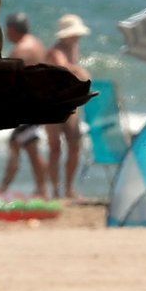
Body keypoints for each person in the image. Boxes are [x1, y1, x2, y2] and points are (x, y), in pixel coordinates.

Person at [0, 12, 49, 197]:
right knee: (27, 144)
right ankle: (40, 189)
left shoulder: (20, 50)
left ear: (12, 29)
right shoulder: (37, 44)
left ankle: (7, 188)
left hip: (31, 105)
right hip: (41, 102)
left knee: (19, 143)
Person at [45, 14, 91, 200]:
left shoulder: (73, 48)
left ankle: (69, 189)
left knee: (74, 145)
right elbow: (64, 68)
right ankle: (56, 191)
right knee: (55, 148)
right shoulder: (55, 51)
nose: (77, 37)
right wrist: (81, 72)